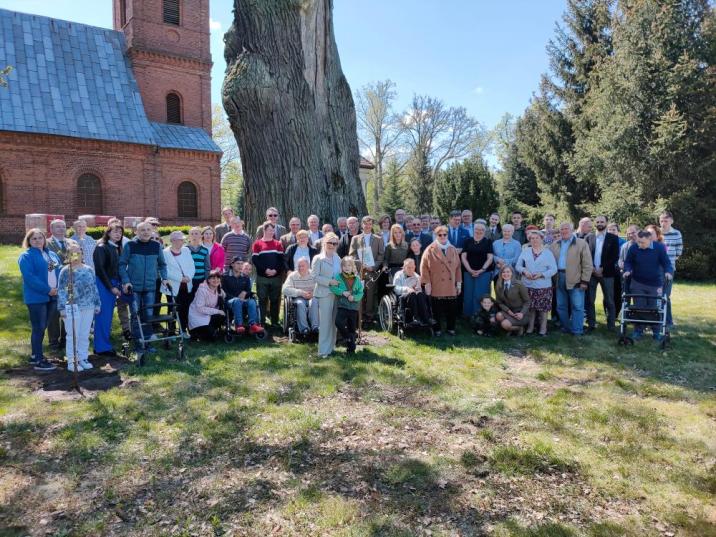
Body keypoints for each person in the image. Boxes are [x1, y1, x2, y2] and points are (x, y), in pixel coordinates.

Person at [119, 221, 169, 349]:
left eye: (148, 229)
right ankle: (138, 342)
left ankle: (147, 341)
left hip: (150, 287)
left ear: (152, 231)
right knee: (135, 315)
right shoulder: (130, 245)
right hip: (133, 287)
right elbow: (122, 264)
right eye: (142, 230)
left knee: (148, 315)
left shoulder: (156, 246)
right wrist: (126, 280)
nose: (146, 232)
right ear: (136, 232)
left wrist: (164, 278)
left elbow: (162, 264)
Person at [18, 228, 61, 371]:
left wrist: (58, 288)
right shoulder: (26, 256)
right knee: (39, 328)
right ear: (29, 241)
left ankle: (34, 355)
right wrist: (48, 289)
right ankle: (39, 360)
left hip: (54, 296)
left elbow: (57, 271)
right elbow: (30, 278)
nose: (37, 241)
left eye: (40, 237)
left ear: (44, 239)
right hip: (37, 297)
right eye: (34, 238)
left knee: (42, 327)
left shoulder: (51, 254)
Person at [57, 240, 101, 371]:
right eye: (72, 253)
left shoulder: (89, 269)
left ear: (82, 253)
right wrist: (62, 308)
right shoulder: (66, 270)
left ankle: (82, 357)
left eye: (78, 252)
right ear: (67, 255)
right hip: (72, 307)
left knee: (84, 334)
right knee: (72, 335)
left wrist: (97, 304)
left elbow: (94, 287)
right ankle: (72, 361)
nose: (76, 255)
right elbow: (61, 290)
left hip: (88, 306)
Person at [623, 230, 674, 341]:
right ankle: (638, 331)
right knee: (639, 308)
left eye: (642, 242)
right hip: (637, 283)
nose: (640, 245)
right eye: (638, 242)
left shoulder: (659, 248)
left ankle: (656, 332)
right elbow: (628, 262)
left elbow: (666, 262)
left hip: (655, 284)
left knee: (654, 309)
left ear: (649, 239)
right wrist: (627, 270)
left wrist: (668, 272)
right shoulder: (634, 248)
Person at [549, 222, 593, 336]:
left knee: (577, 306)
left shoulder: (581, 243)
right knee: (561, 306)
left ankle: (577, 330)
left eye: (566, 229)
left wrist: (584, 281)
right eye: (561, 229)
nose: (563, 231)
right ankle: (567, 327)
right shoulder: (555, 244)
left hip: (576, 279)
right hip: (558, 278)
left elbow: (587, 264)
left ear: (572, 230)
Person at [420, 226, 462, 336]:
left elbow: (458, 267)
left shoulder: (452, 249)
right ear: (436, 236)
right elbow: (423, 267)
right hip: (436, 284)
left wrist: (459, 283)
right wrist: (427, 283)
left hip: (450, 284)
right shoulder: (430, 249)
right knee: (436, 310)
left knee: (452, 309)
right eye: (440, 235)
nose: (442, 237)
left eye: (445, 234)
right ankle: (437, 329)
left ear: (448, 235)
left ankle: (451, 328)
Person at [516, 230, 557, 335]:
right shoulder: (525, 251)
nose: (534, 240)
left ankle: (543, 329)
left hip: (543, 285)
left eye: (537, 238)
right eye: (532, 238)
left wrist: (541, 274)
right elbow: (518, 266)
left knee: (543, 309)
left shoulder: (548, 253)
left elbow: (553, 269)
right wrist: (524, 271)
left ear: (541, 239)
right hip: (528, 284)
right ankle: (530, 328)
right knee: (531, 308)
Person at [93, 224, 124, 356]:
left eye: (120, 232)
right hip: (104, 284)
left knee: (108, 316)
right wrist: (111, 287)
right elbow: (100, 270)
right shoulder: (102, 247)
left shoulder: (116, 247)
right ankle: (101, 348)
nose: (118, 234)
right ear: (108, 233)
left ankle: (104, 344)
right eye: (115, 232)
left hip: (114, 283)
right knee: (102, 316)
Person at [585, 215, 620, 332]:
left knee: (610, 300)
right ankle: (591, 324)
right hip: (591, 273)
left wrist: (602, 268)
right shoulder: (589, 237)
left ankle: (611, 325)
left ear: (606, 223)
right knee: (590, 300)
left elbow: (614, 256)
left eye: (602, 221)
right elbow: (586, 256)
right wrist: (593, 269)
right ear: (595, 223)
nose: (600, 223)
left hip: (607, 273)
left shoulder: (613, 238)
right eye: (598, 222)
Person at [311, 232, 342, 357]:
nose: (332, 245)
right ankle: (323, 351)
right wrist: (329, 282)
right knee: (325, 323)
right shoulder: (318, 258)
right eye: (330, 242)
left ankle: (331, 348)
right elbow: (314, 276)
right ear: (325, 243)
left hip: (337, 293)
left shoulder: (338, 258)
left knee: (334, 321)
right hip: (324, 293)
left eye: (335, 243)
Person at [349, 216, 385, 324]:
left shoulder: (378, 239)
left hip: (372, 271)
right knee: (360, 293)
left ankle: (369, 316)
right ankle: (360, 315)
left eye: (370, 224)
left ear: (372, 225)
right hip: (360, 270)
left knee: (370, 294)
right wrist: (360, 264)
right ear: (362, 225)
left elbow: (381, 256)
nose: (367, 226)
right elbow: (352, 255)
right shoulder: (355, 238)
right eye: (365, 224)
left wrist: (373, 267)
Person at [252, 221, 286, 328]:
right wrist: (265, 270)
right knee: (262, 299)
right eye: (269, 230)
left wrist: (276, 270)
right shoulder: (257, 244)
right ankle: (262, 321)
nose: (271, 232)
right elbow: (255, 260)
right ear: (264, 230)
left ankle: (274, 322)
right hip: (262, 277)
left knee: (275, 300)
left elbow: (281, 260)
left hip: (276, 277)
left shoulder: (278, 244)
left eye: (273, 230)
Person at [162, 231, 195, 335]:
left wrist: (189, 276)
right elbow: (165, 270)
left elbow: (191, 265)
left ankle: (183, 330)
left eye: (182, 240)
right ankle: (171, 331)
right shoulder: (165, 253)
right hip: (172, 286)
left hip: (187, 285)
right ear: (173, 241)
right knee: (172, 309)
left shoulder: (186, 250)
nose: (182, 242)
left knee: (185, 308)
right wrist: (180, 278)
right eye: (179, 240)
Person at [330, 256, 364, 353]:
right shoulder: (338, 277)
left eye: (349, 265)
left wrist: (354, 297)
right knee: (338, 322)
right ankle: (347, 337)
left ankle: (351, 348)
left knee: (352, 327)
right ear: (341, 267)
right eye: (344, 266)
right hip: (343, 306)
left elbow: (361, 293)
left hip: (353, 307)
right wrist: (342, 292)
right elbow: (332, 287)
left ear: (353, 267)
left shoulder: (357, 279)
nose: (346, 267)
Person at [461, 222, 493, 317]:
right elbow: (463, 256)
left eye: (482, 230)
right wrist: (470, 270)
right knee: (468, 295)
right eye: (477, 229)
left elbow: (490, 258)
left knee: (480, 295)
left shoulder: (488, 242)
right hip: (468, 272)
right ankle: (468, 316)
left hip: (484, 273)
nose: (479, 231)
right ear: (474, 230)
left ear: (484, 231)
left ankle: (479, 316)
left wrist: (482, 270)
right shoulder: (467, 241)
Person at [107, 218, 132, 340]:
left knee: (123, 305)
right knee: (107, 306)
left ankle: (127, 329)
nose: (117, 233)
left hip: (123, 277)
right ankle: (107, 329)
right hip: (109, 279)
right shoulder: (103, 244)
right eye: (113, 229)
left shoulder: (127, 242)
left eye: (119, 230)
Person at [223, 259, 263, 335]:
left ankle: (253, 325)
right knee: (237, 301)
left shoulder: (245, 277)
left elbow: (248, 290)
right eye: (238, 263)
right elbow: (223, 292)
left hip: (243, 301)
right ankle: (239, 325)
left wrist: (245, 292)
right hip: (229, 301)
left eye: (241, 264)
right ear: (232, 264)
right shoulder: (225, 276)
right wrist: (237, 298)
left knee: (251, 301)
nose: (240, 266)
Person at [45, 219, 68, 350]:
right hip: (54, 283)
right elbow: (48, 264)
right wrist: (61, 265)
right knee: (53, 313)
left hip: (69, 283)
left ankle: (66, 339)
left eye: (63, 227)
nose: (61, 229)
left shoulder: (71, 242)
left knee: (68, 311)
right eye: (58, 227)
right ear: (51, 229)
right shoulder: (46, 243)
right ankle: (53, 342)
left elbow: (77, 260)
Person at [282, 257, 319, 335]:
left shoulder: (314, 275)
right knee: (300, 303)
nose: (300, 268)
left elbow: (320, 287)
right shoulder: (292, 276)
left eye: (303, 266)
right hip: (298, 297)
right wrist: (301, 292)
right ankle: (304, 328)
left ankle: (315, 327)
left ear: (308, 266)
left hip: (312, 296)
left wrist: (313, 293)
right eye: (299, 266)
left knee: (314, 301)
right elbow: (285, 289)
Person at [188, 269, 226, 342]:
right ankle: (195, 333)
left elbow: (224, 296)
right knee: (211, 338)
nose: (216, 280)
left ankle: (212, 330)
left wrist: (221, 289)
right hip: (198, 318)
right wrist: (217, 311)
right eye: (213, 278)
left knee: (222, 316)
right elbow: (200, 308)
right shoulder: (202, 290)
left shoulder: (218, 289)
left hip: (208, 316)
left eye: (218, 278)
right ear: (208, 280)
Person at [393, 258, 431, 326]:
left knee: (420, 294)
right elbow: (395, 288)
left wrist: (417, 289)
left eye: (412, 267)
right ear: (404, 267)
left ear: (415, 267)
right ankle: (415, 318)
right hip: (402, 297)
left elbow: (419, 289)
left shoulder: (417, 276)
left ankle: (426, 318)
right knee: (412, 294)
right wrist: (406, 289)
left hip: (415, 297)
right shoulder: (398, 275)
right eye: (408, 267)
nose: (411, 269)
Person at [659, 211, 681, 326]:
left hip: (669, 269)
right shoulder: (656, 233)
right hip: (656, 269)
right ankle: (656, 321)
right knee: (655, 295)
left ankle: (668, 321)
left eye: (665, 221)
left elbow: (678, 252)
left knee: (665, 296)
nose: (663, 223)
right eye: (661, 220)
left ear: (671, 221)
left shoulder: (677, 233)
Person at [495, 266, 530, 335]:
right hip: (508, 312)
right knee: (498, 316)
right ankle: (511, 329)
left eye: (508, 272)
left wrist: (522, 313)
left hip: (520, 313)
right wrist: (508, 310)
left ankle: (519, 328)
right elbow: (499, 302)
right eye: (503, 272)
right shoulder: (499, 285)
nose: (505, 274)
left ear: (512, 273)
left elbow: (527, 301)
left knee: (504, 324)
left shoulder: (519, 284)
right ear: (501, 274)